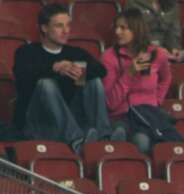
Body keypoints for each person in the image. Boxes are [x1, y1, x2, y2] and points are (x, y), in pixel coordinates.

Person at [13, 4, 112, 147]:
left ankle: (104, 138)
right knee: (46, 84)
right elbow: (23, 78)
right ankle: (77, 141)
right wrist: (54, 68)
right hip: (39, 123)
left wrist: (78, 70)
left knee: (94, 81)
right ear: (44, 28)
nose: (66, 31)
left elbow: (101, 70)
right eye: (59, 26)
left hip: (71, 119)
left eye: (68, 25)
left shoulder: (75, 52)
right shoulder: (27, 52)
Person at [101, 11, 174, 153]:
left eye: (123, 28)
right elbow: (110, 103)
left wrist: (157, 101)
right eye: (116, 27)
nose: (117, 32)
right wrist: (129, 74)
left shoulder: (157, 54)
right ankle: (117, 140)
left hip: (147, 114)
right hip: (122, 114)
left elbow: (166, 78)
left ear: (136, 29)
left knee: (143, 141)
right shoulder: (109, 57)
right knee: (129, 133)